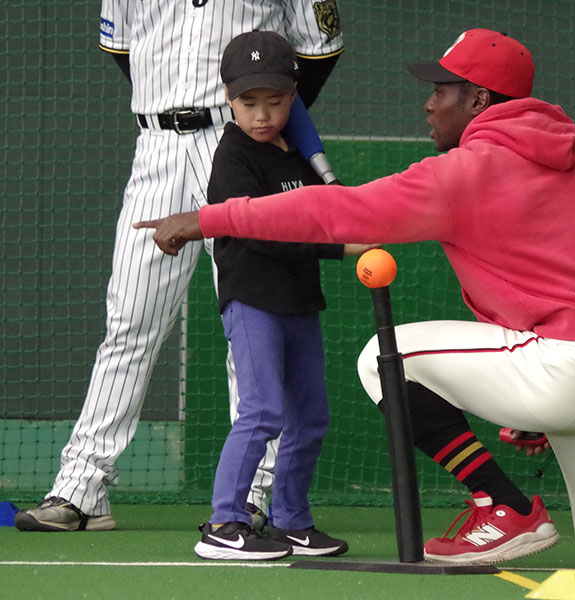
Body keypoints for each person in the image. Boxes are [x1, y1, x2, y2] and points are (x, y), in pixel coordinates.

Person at [133, 29, 575, 577]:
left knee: (383, 357)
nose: (427, 101)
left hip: (572, 368)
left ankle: (504, 508)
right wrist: (529, 401)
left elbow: (340, 213)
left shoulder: (464, 170)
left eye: (440, 89)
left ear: (477, 101)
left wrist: (209, 217)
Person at [14, 0, 344, 533]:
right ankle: (81, 489)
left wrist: (260, 120)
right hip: (157, 147)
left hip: (238, 142)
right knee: (129, 324)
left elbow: (316, 52)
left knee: (258, 318)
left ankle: (257, 497)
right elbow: (122, 50)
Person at [193, 30, 371, 561]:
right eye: (249, 103)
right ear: (229, 99)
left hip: (298, 302)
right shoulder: (234, 157)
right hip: (251, 300)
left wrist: (344, 212)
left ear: (293, 98)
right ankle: (224, 523)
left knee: (310, 416)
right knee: (262, 411)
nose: (262, 115)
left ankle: (291, 519)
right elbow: (260, 233)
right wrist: (340, 248)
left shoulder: (296, 155)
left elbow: (317, 213)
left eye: (275, 102)